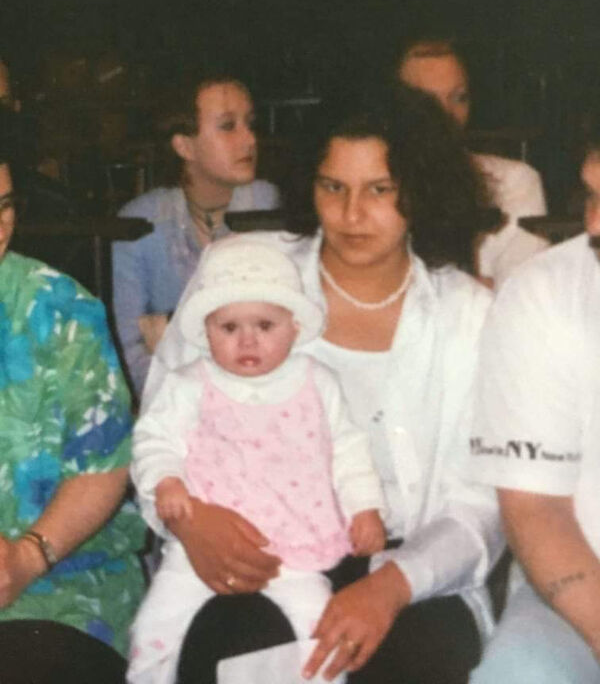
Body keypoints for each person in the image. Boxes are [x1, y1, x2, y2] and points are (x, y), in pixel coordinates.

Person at [143, 86, 503, 684]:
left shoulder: (468, 315)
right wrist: (189, 521)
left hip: (410, 572)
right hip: (259, 559)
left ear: (422, 191)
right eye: (333, 187)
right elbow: (160, 426)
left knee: (407, 659)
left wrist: (390, 587)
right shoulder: (244, 272)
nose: (351, 214)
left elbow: (482, 503)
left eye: (380, 190)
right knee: (238, 648)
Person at [128, 236, 386, 683]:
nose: (247, 341)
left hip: (294, 550)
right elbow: (153, 439)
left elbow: (348, 449)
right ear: (207, 330)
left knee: (319, 630)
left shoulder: (318, 382)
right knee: (155, 626)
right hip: (200, 552)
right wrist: (166, 479)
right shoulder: (189, 384)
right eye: (229, 328)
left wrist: (364, 507)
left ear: (294, 327)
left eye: (265, 325)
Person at [0, 147, 146, 682]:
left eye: (4, 205)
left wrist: (27, 557)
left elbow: (105, 464)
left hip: (60, 585)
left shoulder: (60, 310)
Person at [468, 135, 600, 682]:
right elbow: (535, 507)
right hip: (579, 589)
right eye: (592, 196)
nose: (595, 225)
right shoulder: (543, 294)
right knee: (520, 675)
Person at [112, 73, 280, 399]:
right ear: (184, 146)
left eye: (250, 124)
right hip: (172, 411)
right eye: (228, 126)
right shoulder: (138, 223)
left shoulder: (271, 207)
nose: (249, 139)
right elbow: (129, 349)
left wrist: (168, 329)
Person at [397, 38, 549, 287]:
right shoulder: (366, 186)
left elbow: (523, 295)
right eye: (426, 102)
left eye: (459, 98)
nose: (446, 115)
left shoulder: (512, 181)